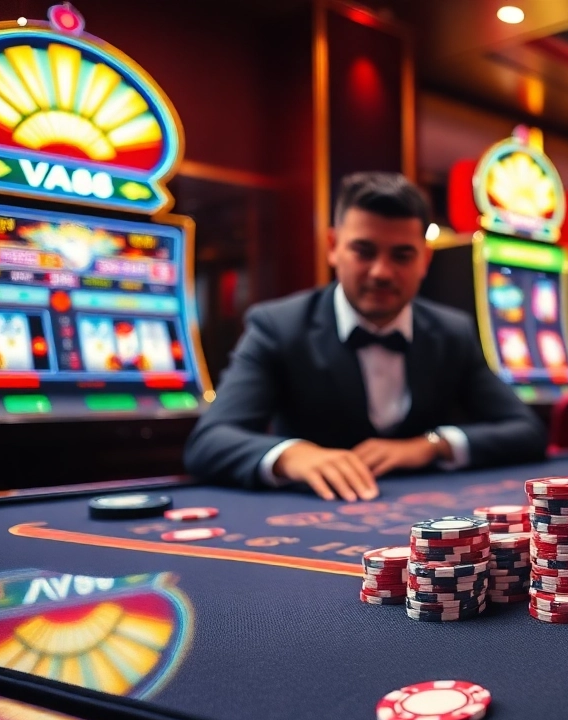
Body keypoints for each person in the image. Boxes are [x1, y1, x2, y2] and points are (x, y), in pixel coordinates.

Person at [185, 172, 547, 500]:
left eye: (402, 255)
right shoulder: (278, 326)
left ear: (424, 260)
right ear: (333, 246)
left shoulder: (452, 331)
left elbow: (526, 431)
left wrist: (430, 446)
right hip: (314, 516)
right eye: (364, 251)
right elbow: (208, 442)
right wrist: (293, 455)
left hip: (425, 523)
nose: (381, 272)